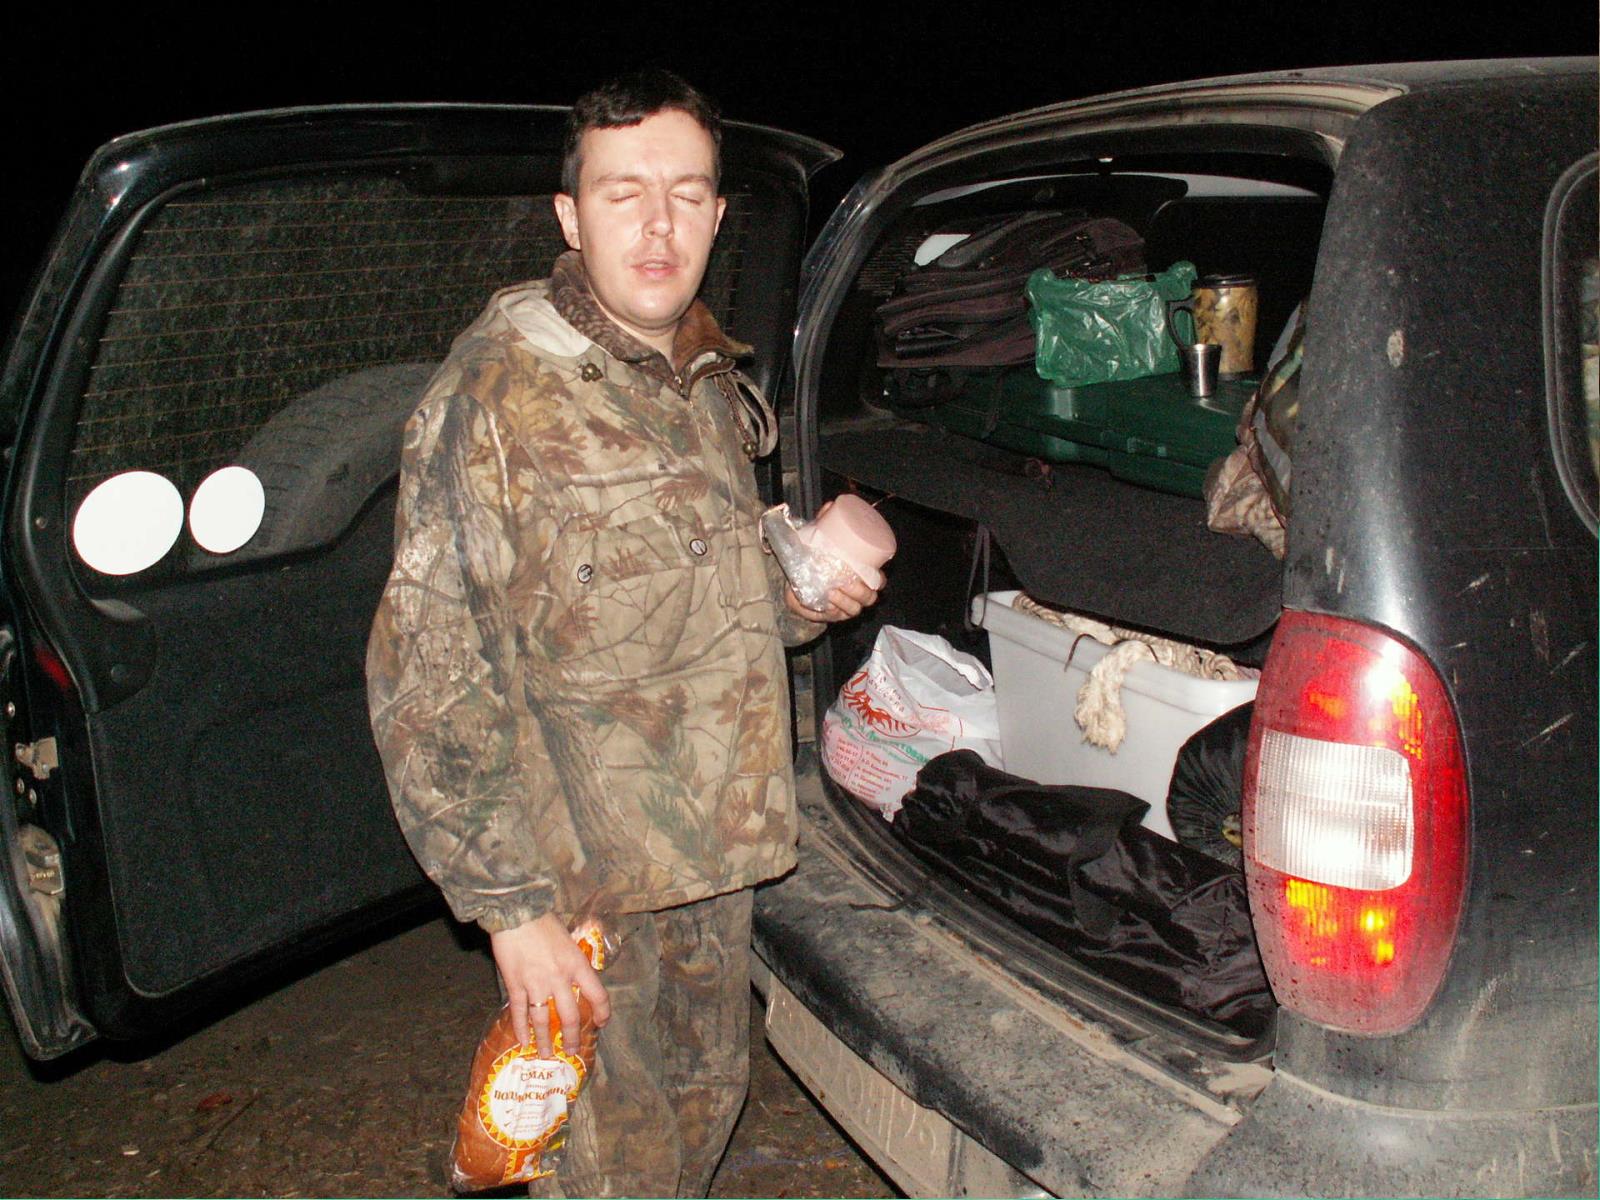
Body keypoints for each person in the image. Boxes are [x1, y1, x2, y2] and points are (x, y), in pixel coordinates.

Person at [365, 69, 877, 1197]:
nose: (658, 226)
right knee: (612, 1173)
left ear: (718, 215)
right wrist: (514, 914)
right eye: (622, 193)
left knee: (697, 1129)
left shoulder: (701, 375)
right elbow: (432, 678)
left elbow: (698, 600)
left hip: (713, 860)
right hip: (586, 891)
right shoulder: (493, 400)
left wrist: (802, 599)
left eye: (686, 195)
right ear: (569, 215)